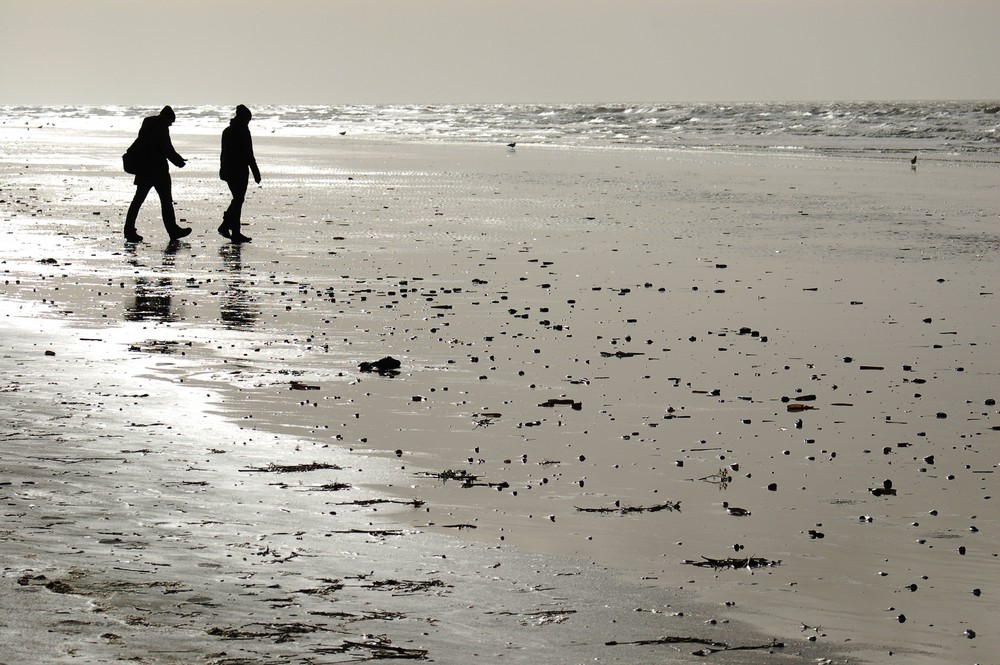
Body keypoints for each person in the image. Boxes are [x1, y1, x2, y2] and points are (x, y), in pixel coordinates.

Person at [123, 106, 191, 243]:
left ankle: (129, 230)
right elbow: (166, 148)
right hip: (158, 170)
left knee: (138, 201)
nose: (170, 125)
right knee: (166, 202)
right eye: (171, 122)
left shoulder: (147, 124)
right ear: (167, 118)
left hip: (144, 169)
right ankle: (173, 231)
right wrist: (178, 161)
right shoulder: (161, 126)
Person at [218, 104, 261, 243]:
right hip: (240, 170)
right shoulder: (243, 131)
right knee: (238, 199)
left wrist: (222, 169)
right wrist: (256, 172)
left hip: (228, 170)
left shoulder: (227, 131)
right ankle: (227, 226)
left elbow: (222, 153)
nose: (248, 123)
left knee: (237, 199)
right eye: (248, 120)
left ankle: (232, 230)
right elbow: (249, 153)